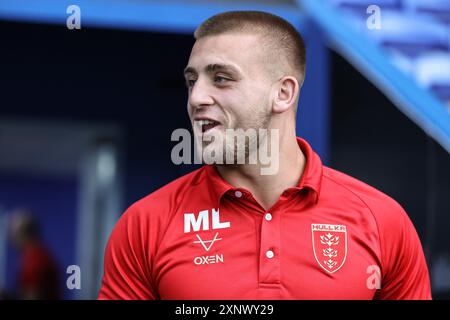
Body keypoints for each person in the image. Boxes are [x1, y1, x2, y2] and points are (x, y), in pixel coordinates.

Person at [98, 11, 431, 300]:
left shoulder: (384, 221)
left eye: (221, 79)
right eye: (191, 81)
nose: (196, 97)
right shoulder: (145, 224)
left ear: (282, 93)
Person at [9, 209, 60, 300]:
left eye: (13, 234)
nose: (11, 239)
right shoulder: (37, 256)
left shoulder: (34, 261)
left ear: (25, 234)